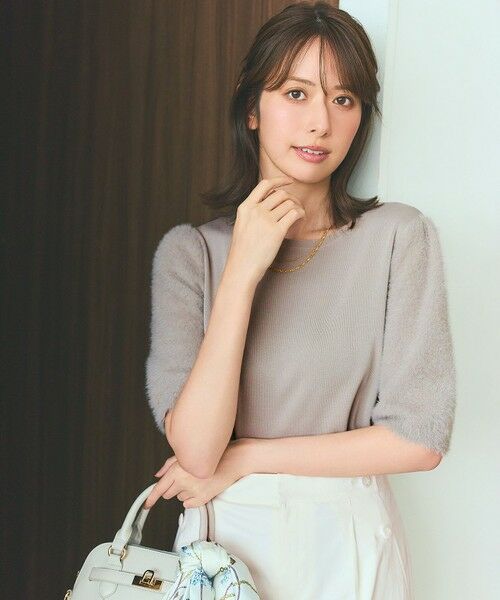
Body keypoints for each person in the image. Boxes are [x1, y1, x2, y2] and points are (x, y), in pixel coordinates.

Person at [144, 2, 457, 598]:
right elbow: (198, 452)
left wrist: (247, 457)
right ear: (252, 108)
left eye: (344, 99)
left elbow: (419, 440)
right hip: (220, 549)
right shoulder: (190, 254)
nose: (320, 123)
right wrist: (242, 271)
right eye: (295, 93)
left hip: (349, 544)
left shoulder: (398, 237)